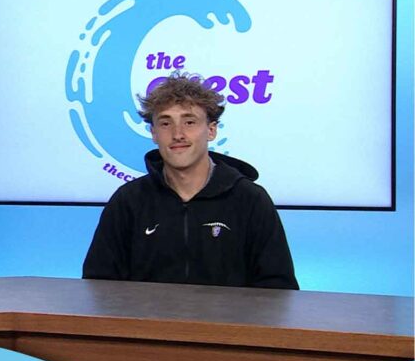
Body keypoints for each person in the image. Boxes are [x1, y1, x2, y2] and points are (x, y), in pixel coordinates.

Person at [83, 73, 297, 288]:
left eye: (189, 122)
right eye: (165, 123)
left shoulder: (251, 200)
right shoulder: (128, 201)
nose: (178, 134)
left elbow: (279, 289)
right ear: (154, 133)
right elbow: (98, 285)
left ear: (211, 130)